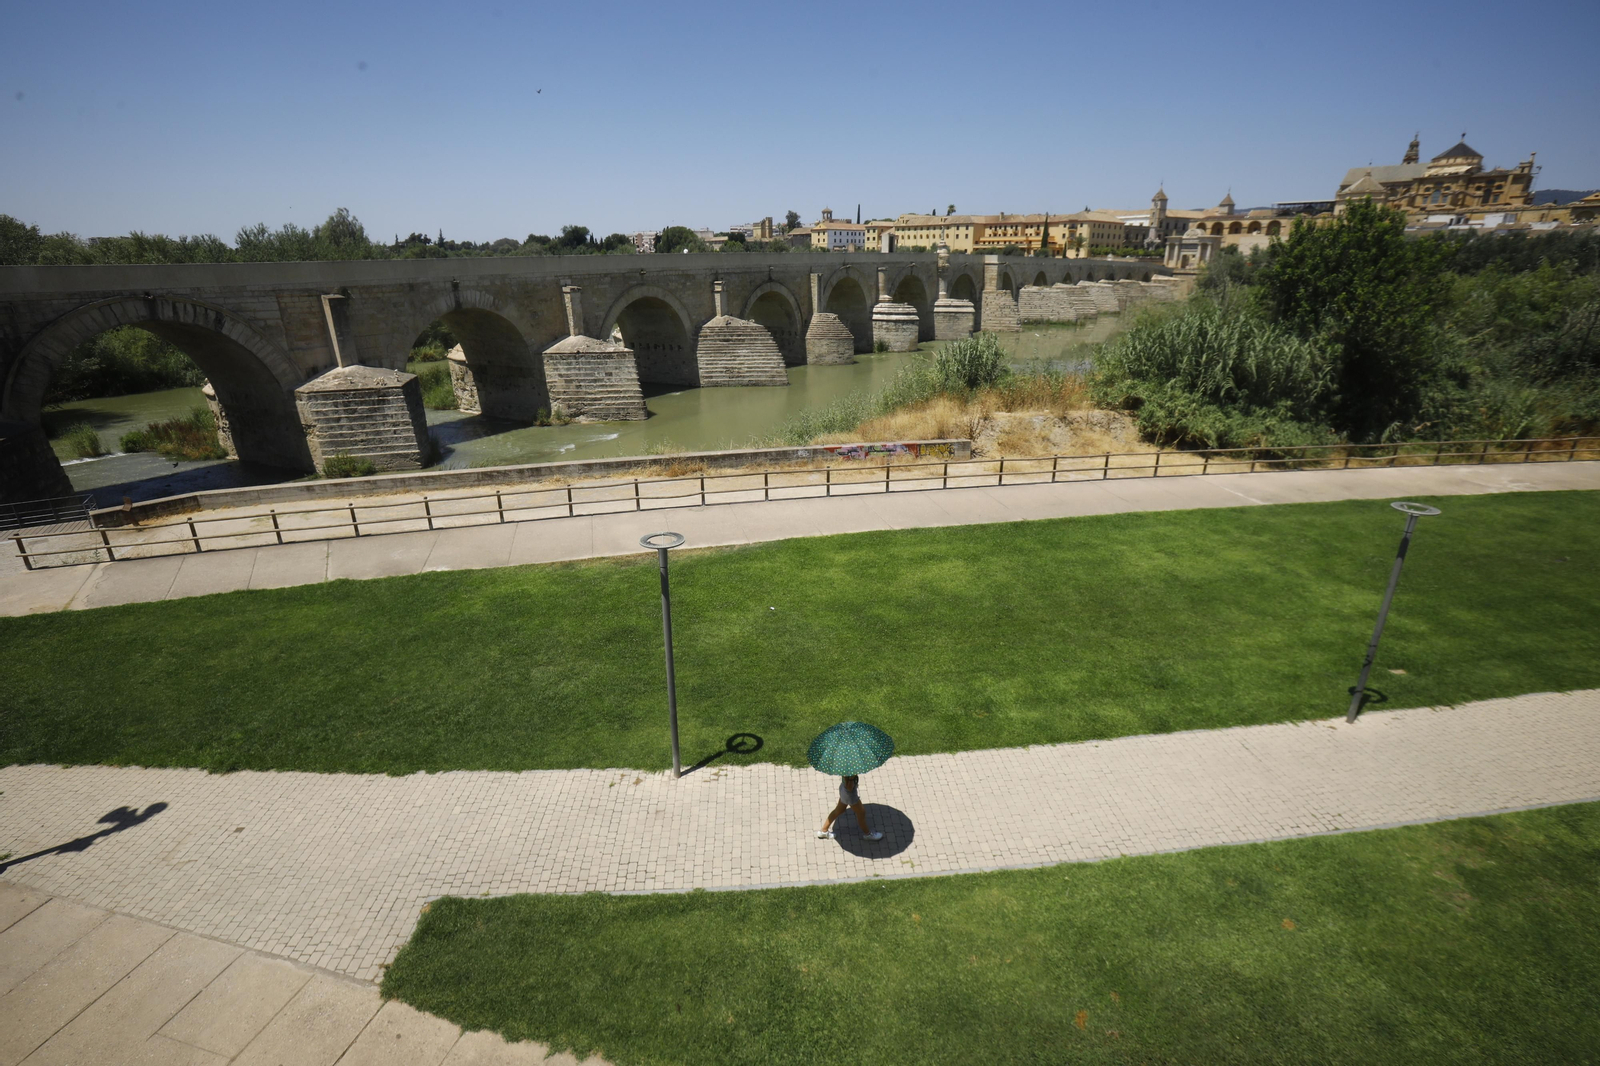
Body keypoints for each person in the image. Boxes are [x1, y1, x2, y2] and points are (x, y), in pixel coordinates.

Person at [817, 774, 884, 841]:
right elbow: (849, 787)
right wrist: (852, 778)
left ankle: (823, 831)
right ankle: (868, 834)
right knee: (861, 812)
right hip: (850, 795)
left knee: (839, 810)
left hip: (843, 790)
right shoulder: (850, 774)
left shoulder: (845, 769)